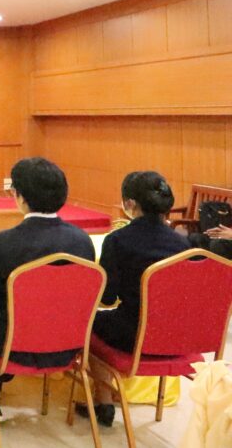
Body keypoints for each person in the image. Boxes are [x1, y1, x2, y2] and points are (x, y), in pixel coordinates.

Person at [0, 157, 95, 426]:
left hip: (12, 344)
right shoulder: (82, 241)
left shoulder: (4, 242)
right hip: (67, 344)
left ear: (19, 196)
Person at [77, 171, 190, 427]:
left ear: (129, 204)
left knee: (89, 322)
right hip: (178, 335)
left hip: (134, 334)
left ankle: (103, 400)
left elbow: (107, 298)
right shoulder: (184, 245)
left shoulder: (118, 240)